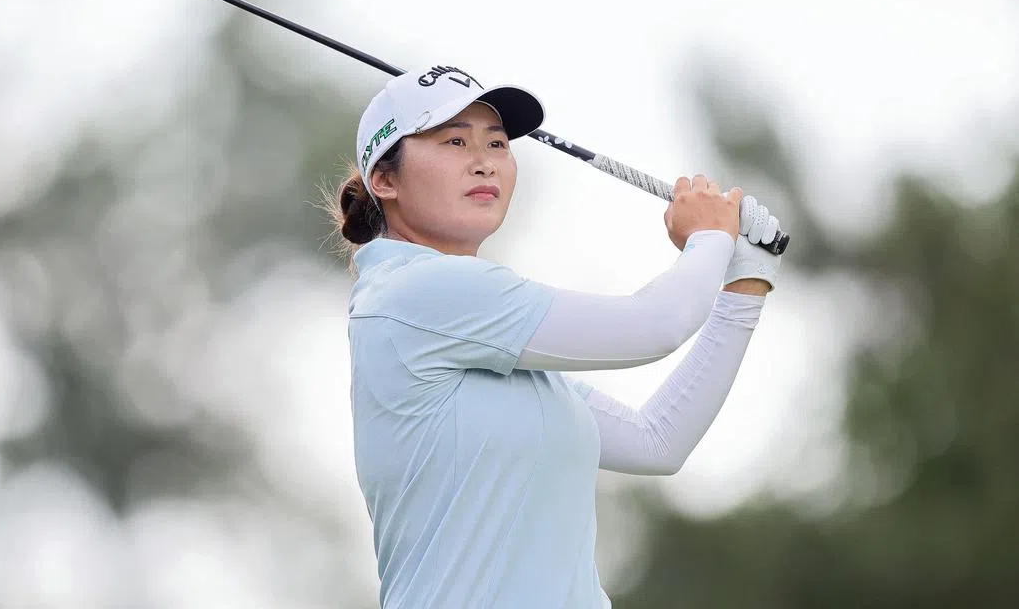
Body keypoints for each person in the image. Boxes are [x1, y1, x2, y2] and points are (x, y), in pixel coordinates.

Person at [327, 64, 783, 609]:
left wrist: (743, 284)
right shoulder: (415, 292)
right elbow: (655, 326)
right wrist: (709, 236)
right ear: (385, 180)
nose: (484, 161)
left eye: (497, 143)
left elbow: (657, 441)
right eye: (454, 140)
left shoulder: (484, 336)